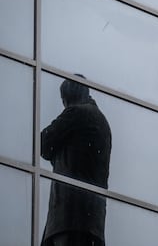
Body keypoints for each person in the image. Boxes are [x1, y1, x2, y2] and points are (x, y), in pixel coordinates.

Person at [40, 74, 112, 246]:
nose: (64, 105)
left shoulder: (79, 112)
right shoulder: (99, 119)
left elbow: (43, 142)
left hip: (70, 216)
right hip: (89, 220)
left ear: (69, 96)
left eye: (64, 100)